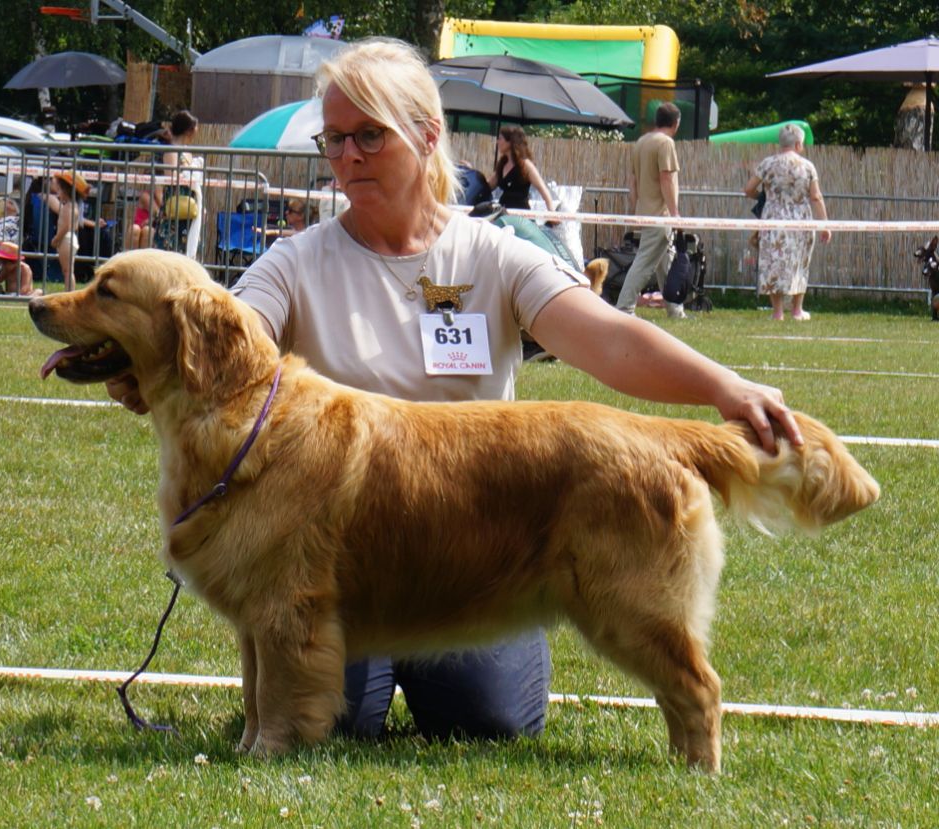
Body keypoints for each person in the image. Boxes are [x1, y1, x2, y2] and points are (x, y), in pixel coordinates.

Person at [107, 37, 803, 743]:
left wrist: (725, 387)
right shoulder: (296, 261)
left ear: (427, 134)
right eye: (335, 139)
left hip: (478, 547)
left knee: (487, 721)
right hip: (345, 558)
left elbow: (608, 338)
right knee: (337, 716)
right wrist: (157, 360)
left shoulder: (492, 252)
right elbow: (237, 337)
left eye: (369, 135)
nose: (348, 156)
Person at [744, 123, 831, 321]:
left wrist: (763, 198)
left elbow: (748, 189)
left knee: (773, 262)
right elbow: (816, 197)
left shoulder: (767, 164)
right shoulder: (807, 166)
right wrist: (824, 224)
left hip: (773, 217)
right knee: (800, 261)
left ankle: (777, 312)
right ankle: (797, 310)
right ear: (799, 143)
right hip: (800, 218)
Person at [615, 102, 686, 320]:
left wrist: (636, 207)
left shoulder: (641, 142)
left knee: (667, 261)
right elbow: (666, 178)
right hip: (660, 214)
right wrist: (675, 213)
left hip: (646, 211)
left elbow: (633, 179)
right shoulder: (665, 143)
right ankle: (624, 307)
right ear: (675, 123)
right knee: (645, 262)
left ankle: (675, 310)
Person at [153, 110, 204, 259]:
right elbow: (171, 177)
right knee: (169, 251)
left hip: (188, 205)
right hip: (174, 205)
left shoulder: (187, 152)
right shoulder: (171, 151)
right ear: (189, 130)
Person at [486, 125, 558, 216]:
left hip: (520, 215)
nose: (497, 142)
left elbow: (542, 188)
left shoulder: (525, 165)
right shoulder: (502, 164)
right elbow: (488, 186)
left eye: (500, 139)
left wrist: (552, 213)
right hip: (502, 213)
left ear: (510, 142)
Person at [50, 171, 89, 291]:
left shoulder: (69, 207)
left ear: (66, 191)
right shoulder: (72, 206)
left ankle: (69, 292)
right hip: (69, 238)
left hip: (66, 238)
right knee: (67, 270)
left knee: (67, 270)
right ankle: (68, 291)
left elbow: (67, 226)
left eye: (60, 190)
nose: (58, 194)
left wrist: (57, 238)